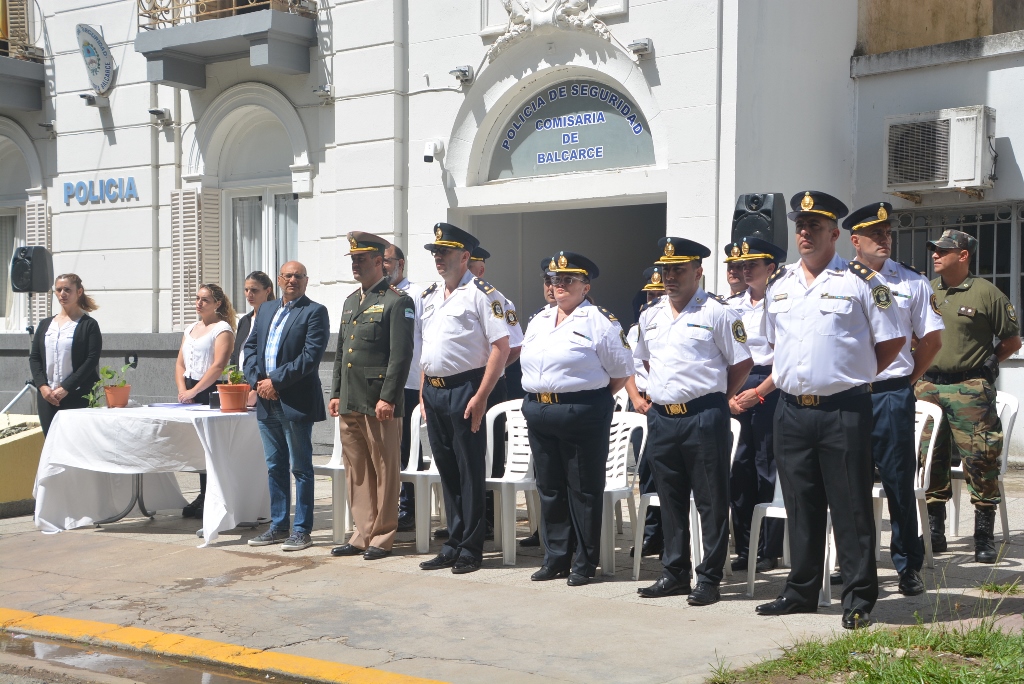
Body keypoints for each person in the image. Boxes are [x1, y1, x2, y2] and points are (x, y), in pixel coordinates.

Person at [756, 191, 904, 630]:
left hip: (844, 409)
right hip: (791, 410)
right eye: (799, 226)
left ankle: (857, 597)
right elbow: (771, 344)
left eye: (814, 227)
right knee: (801, 504)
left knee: (851, 506)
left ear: (835, 234)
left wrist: (854, 374)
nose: (804, 233)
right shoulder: (779, 284)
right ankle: (801, 590)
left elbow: (893, 341)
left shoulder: (861, 281)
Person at [627, 237, 753, 605]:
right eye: (666, 270)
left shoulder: (718, 313)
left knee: (711, 500)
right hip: (663, 417)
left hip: (704, 415)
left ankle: (709, 577)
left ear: (698, 272)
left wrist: (716, 397)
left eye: (678, 269)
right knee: (670, 498)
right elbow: (646, 361)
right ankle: (674, 572)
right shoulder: (649, 315)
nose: (669, 277)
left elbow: (742, 362)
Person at [844, 203, 943, 593]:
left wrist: (905, 381)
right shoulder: (838, 280)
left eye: (888, 232)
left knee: (899, 482)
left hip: (889, 395)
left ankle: (907, 565)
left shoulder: (912, 282)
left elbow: (932, 340)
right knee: (849, 485)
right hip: (847, 397)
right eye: (875, 234)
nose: (885, 239)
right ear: (855, 241)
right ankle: (854, 564)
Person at [520, 251, 634, 585]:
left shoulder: (600, 321)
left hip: (582, 411)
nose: (560, 286)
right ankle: (556, 557)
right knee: (550, 487)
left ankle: (584, 562)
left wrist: (587, 396)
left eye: (568, 280)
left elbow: (620, 371)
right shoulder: (540, 319)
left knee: (583, 489)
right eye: (555, 280)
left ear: (585, 286)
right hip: (540, 409)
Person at [916, 229, 1021, 563]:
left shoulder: (986, 293)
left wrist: (990, 365)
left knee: (980, 458)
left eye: (943, 250)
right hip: (928, 387)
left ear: (963, 255)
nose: (935, 254)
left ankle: (983, 535)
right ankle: (935, 531)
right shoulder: (927, 291)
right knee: (928, 459)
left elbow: (1012, 340)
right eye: (933, 249)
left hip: (969, 389)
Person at [416, 223, 510, 574]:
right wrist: (425, 390)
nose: (438, 258)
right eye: (435, 252)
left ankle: (471, 547)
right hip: (435, 390)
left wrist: (482, 395)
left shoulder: (483, 294)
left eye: (445, 252)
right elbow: (428, 347)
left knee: (470, 471)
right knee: (447, 469)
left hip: (466, 388)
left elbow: (501, 347)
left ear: (465, 256)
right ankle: (453, 542)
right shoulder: (430, 295)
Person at [329, 233, 415, 560]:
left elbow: (400, 354)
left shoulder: (397, 301)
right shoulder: (351, 301)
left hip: (379, 401)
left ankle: (382, 536)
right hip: (351, 398)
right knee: (358, 471)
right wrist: (336, 392)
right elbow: (341, 353)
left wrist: (389, 397)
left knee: (384, 469)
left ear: (380, 262)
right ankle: (362, 533)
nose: (355, 264)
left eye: (361, 259)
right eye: (353, 259)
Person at [244, 261, 330, 552]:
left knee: (301, 468)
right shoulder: (266, 309)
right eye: (288, 276)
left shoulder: (315, 312)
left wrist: (275, 382)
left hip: (294, 400)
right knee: (274, 466)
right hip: (266, 401)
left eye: (298, 276)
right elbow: (250, 348)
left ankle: (302, 531)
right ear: (279, 280)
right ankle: (279, 526)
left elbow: (310, 357)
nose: (292, 280)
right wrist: (257, 381)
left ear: (306, 281)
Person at [727, 237, 787, 573]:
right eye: (743, 265)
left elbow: (785, 356)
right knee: (740, 468)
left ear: (771, 269)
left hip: (770, 384)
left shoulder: (780, 303)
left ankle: (769, 548)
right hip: (737, 387)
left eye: (753, 264)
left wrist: (759, 392)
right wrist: (729, 397)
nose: (746, 269)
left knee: (768, 467)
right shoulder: (732, 306)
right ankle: (745, 545)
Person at [174, 283, 236, 517]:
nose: (199, 304)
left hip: (209, 390)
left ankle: (212, 495)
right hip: (189, 388)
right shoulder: (191, 328)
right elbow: (180, 363)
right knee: (196, 446)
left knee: (210, 445)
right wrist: (183, 389)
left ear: (217, 304)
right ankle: (203, 494)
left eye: (205, 300)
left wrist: (195, 391)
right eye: (197, 299)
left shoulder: (222, 329)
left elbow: (218, 365)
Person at [383, 243, 426, 532]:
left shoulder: (418, 294)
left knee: (411, 451)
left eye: (386, 260)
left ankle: (411, 509)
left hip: (411, 383)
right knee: (390, 451)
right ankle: (392, 506)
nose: (383, 265)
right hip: (384, 385)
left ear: (401, 263)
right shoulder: (376, 295)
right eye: (379, 261)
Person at [519, 258, 559, 550]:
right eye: (547, 281)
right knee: (544, 478)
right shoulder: (538, 318)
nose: (551, 287)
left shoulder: (590, 317)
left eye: (556, 281)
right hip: (540, 408)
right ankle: (545, 530)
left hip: (572, 409)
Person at [29, 274, 102, 435]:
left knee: (74, 442)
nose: (62, 294)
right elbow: (35, 358)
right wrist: (42, 387)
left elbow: (91, 360)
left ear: (79, 292)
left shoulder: (88, 325)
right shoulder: (45, 324)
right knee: (50, 442)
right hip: (47, 397)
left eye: (67, 290)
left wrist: (65, 388)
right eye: (59, 290)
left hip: (76, 395)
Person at [628, 266, 665, 559]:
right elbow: (625, 367)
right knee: (646, 474)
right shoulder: (636, 327)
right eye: (650, 293)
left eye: (659, 293)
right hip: (640, 403)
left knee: (667, 472)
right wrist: (636, 399)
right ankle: (651, 535)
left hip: (664, 403)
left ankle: (669, 535)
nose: (653, 297)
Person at [231, 271, 275, 408]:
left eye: (254, 290)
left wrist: (256, 390)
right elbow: (236, 353)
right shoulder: (245, 320)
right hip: (241, 382)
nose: (249, 294)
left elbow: (272, 356)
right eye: (246, 290)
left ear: (268, 291)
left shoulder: (274, 319)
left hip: (263, 385)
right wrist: (233, 381)